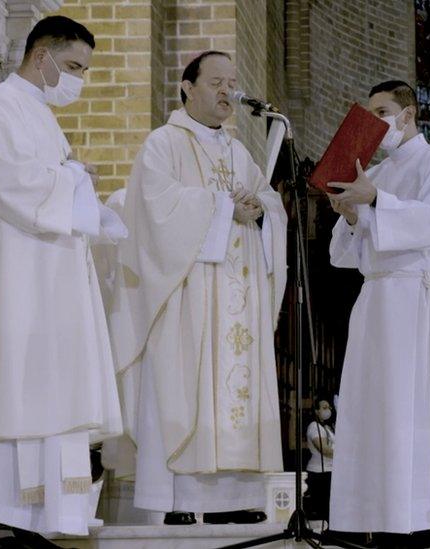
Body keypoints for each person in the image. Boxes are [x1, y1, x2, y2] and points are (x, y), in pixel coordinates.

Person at [0, 15, 125, 543]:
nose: (79, 79)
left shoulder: (37, 116)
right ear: (42, 58)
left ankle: (40, 522)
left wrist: (78, 185)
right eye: (74, 66)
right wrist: (75, 179)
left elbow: (53, 190)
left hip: (41, 289)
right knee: (8, 394)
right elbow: (14, 185)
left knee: (43, 395)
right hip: (9, 290)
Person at [110, 50, 288, 525]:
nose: (228, 92)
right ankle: (181, 499)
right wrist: (221, 205)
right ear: (187, 87)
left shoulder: (237, 150)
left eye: (232, 83)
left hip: (239, 294)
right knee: (185, 386)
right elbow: (154, 209)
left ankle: (236, 498)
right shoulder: (163, 144)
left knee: (238, 389)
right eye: (216, 82)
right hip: (188, 294)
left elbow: (268, 201)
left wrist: (263, 209)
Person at [325, 80, 430, 547]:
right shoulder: (375, 172)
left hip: (414, 300)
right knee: (372, 412)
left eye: (383, 111)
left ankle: (414, 519)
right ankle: (374, 513)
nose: (376, 122)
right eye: (370, 113)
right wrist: (351, 214)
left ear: (409, 114)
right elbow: (340, 255)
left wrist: (374, 202)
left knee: (410, 413)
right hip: (375, 302)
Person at [305, 397, 336, 521]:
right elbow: (324, 450)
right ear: (316, 411)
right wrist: (343, 455)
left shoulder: (327, 428)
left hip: (329, 471)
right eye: (324, 408)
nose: (327, 410)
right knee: (322, 510)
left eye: (329, 408)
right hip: (319, 473)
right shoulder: (314, 426)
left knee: (329, 509)